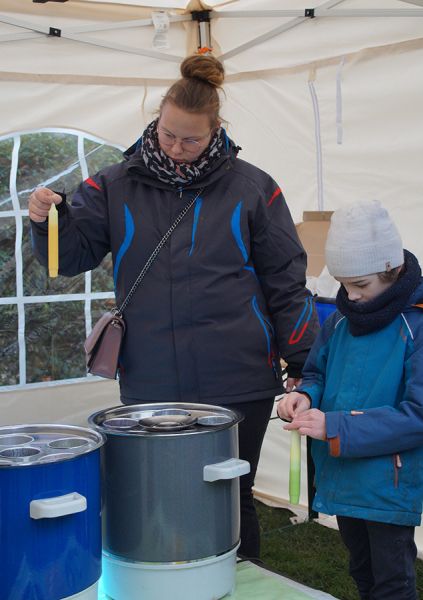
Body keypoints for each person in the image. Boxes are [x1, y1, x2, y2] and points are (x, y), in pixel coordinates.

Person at [29, 54, 318, 559]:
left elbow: (286, 282)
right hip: (151, 375)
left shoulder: (253, 187)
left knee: (231, 492)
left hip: (238, 376)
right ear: (155, 121)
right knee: (156, 493)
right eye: (167, 135)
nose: (177, 149)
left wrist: (303, 364)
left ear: (216, 132)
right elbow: (66, 259)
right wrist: (45, 221)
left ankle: (237, 582)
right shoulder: (113, 185)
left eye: (191, 140)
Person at [278, 200, 423, 599]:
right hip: (341, 472)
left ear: (392, 271)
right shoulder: (340, 320)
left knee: (391, 583)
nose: (351, 295)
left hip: (387, 482)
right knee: (361, 570)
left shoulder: (417, 324)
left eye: (361, 285)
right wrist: (305, 396)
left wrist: (335, 425)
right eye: (343, 284)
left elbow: (418, 415)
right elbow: (317, 373)